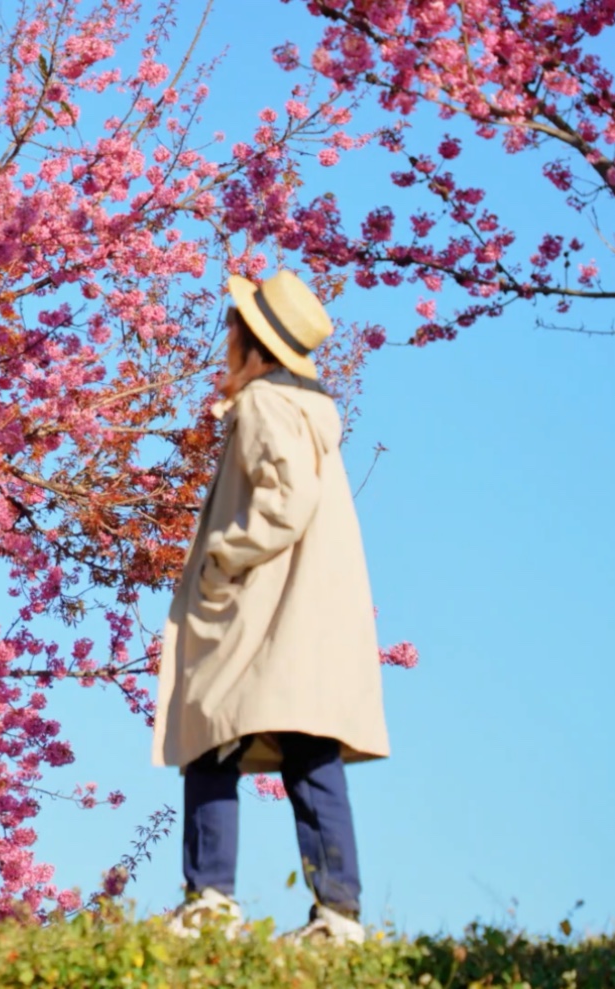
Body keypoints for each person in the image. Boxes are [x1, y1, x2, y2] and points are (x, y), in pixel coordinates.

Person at [150, 269, 390, 945]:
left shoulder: (262, 406)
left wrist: (223, 559)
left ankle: (210, 899)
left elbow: (283, 500)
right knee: (310, 751)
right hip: (305, 615)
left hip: (258, 609)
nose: (224, 338)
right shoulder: (310, 410)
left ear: (257, 348)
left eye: (233, 327)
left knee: (210, 736)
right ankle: (339, 913)